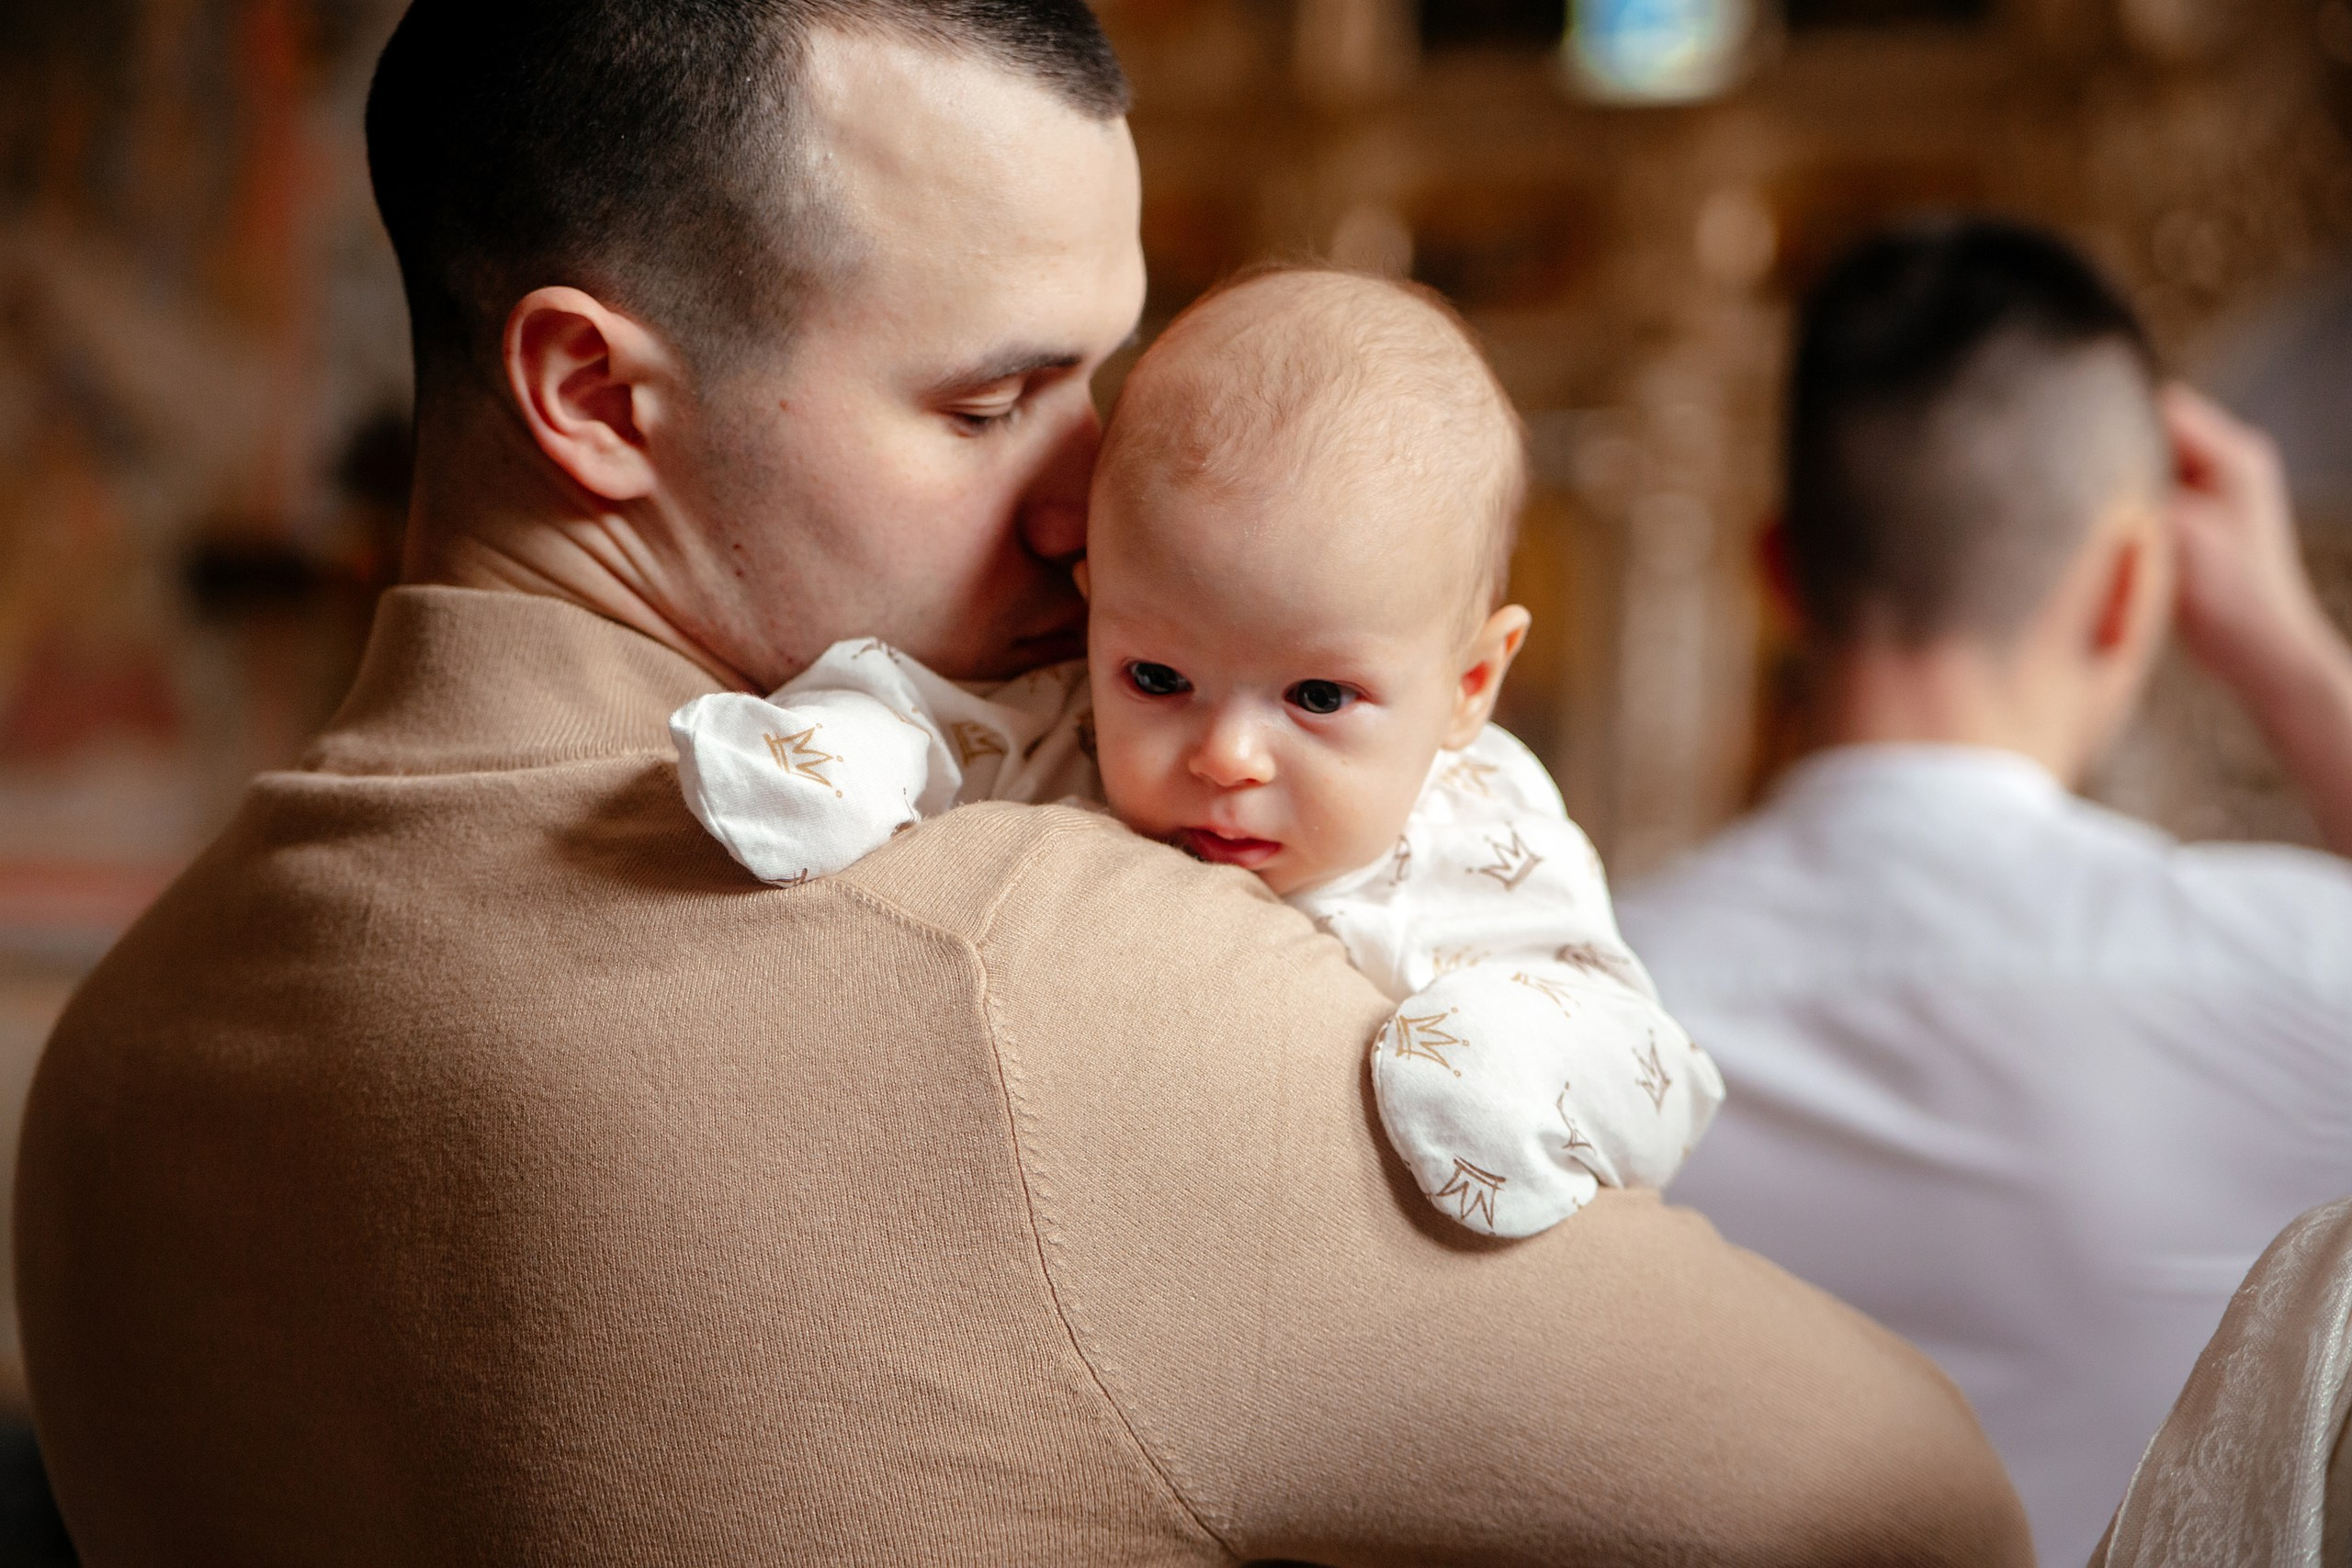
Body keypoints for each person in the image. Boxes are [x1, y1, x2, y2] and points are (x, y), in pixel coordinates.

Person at [14, 5, 2030, 1562]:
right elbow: (1911, 1505)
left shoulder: (118, 1052)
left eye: (1100, 376)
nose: (1094, 498)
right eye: (988, 400)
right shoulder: (1031, 990)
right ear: (595, 397)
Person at [671, 268, 1723, 1239]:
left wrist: (1515, 1054)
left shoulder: (1487, 839)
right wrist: (844, 757)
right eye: (1159, 679)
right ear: (1094, 617)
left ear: (1468, 688)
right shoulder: (1067, 728)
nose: (1225, 755)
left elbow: (1655, 1072)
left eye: (1317, 697)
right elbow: (923, 715)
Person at [1621, 216, 2352, 1568]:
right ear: (2136, 587)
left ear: (1780, 573)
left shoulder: (1577, 992)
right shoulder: (2309, 979)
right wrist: (2299, 660)